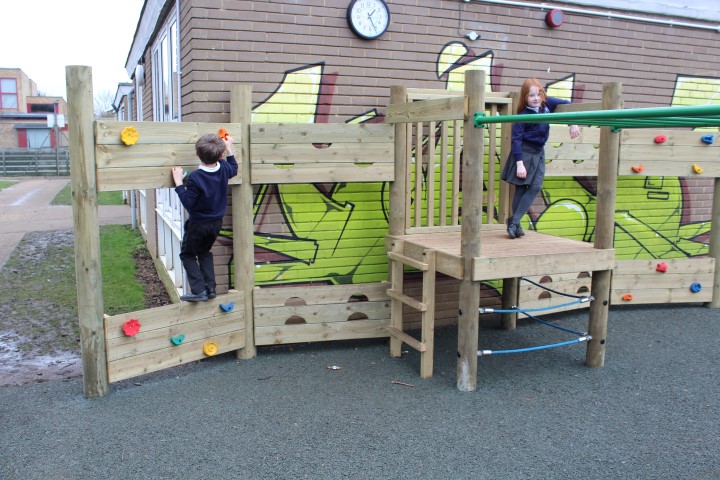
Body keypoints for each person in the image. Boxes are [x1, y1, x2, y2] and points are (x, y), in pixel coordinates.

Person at [500, 78, 580, 239]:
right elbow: (516, 141)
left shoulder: (546, 105)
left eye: (539, 94)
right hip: (524, 153)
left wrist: (573, 123)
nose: (536, 98)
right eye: (531, 96)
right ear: (525, 98)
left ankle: (513, 221)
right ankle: (515, 224)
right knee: (521, 188)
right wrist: (520, 164)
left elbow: (569, 104)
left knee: (536, 186)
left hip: (539, 152)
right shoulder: (523, 116)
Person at [171, 133, 238, 301]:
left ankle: (199, 290)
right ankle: (211, 289)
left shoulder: (195, 177)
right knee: (204, 252)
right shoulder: (223, 169)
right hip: (216, 224)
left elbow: (189, 203)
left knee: (187, 254)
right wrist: (229, 147)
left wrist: (178, 182)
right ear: (221, 155)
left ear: (197, 154)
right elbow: (234, 168)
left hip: (198, 225)